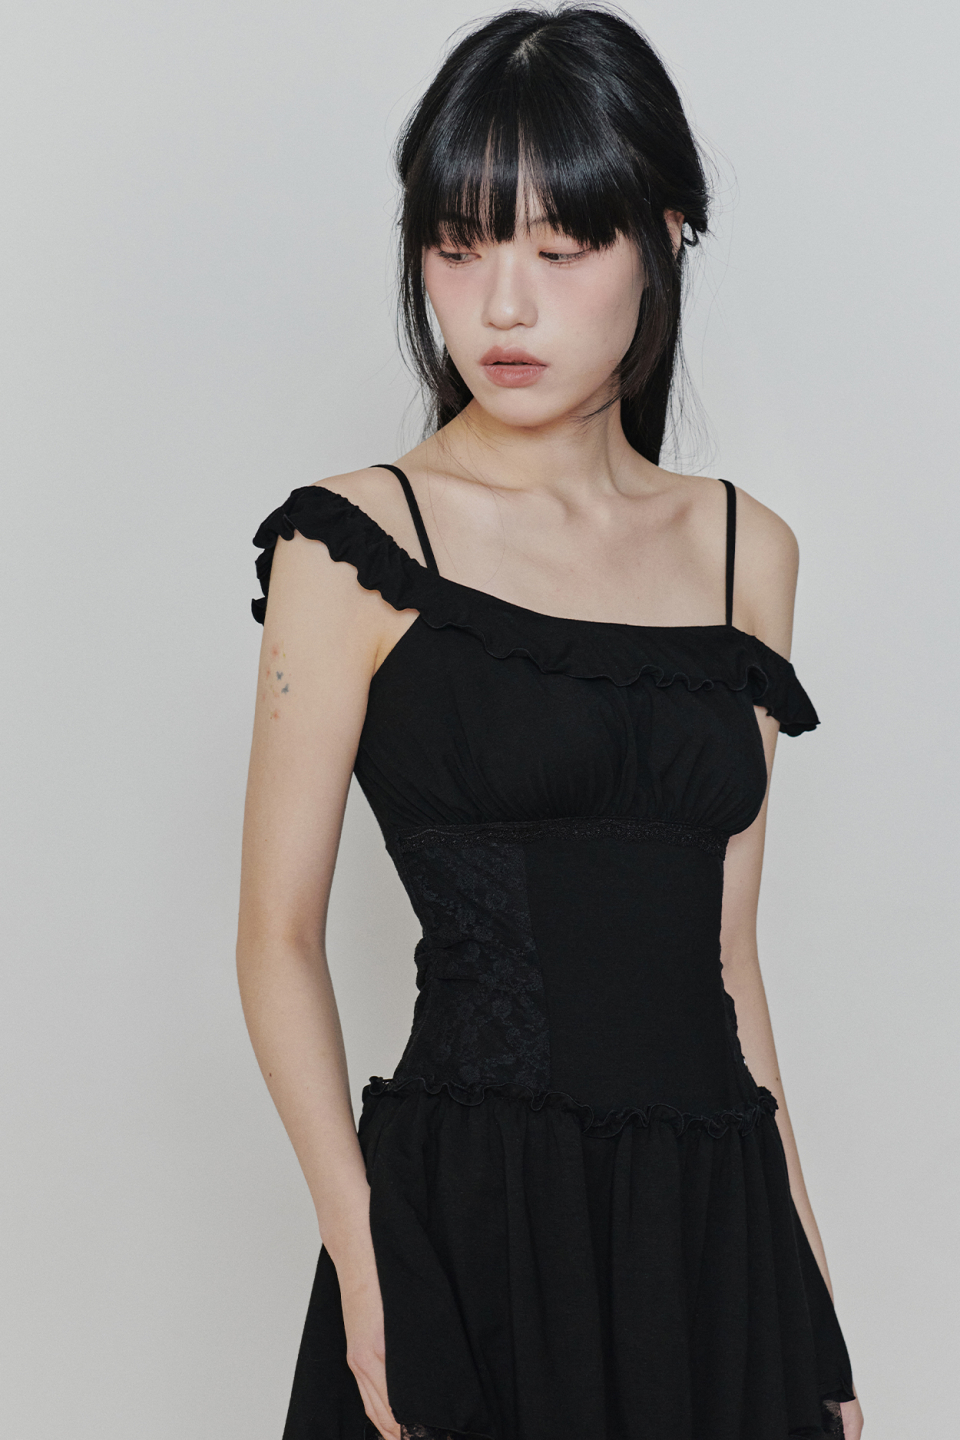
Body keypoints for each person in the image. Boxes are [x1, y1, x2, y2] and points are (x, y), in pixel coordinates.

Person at [237, 8, 863, 1438]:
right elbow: (275, 937)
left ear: (665, 234)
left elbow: (725, 959)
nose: (502, 310)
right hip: (472, 1225)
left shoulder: (745, 552)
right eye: (458, 248)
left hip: (708, 1230)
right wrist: (370, 1266)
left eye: (561, 249)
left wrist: (807, 1288)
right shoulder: (355, 543)